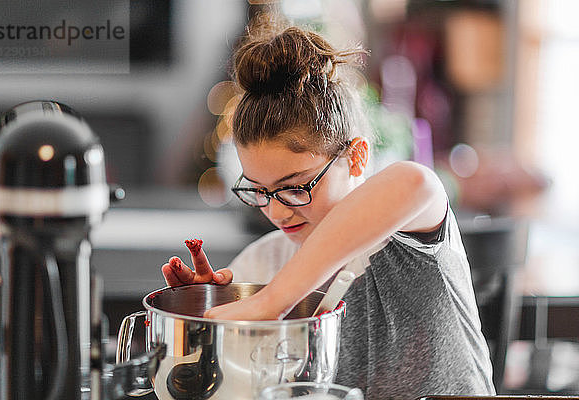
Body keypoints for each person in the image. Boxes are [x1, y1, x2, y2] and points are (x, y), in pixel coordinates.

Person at [162, 15, 495, 400]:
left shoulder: (410, 237)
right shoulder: (264, 262)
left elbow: (414, 183)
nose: (278, 212)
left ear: (355, 158)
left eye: (296, 187)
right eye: (260, 191)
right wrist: (208, 323)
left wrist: (271, 303)